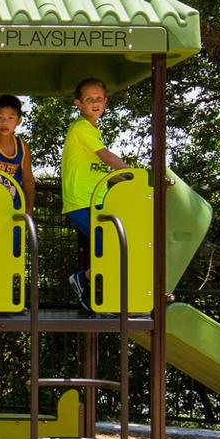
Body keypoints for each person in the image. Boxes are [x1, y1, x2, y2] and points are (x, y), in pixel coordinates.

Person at [61, 77, 135, 308]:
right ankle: (83, 279)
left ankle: (91, 283)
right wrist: (134, 174)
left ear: (106, 101)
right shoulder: (82, 128)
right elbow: (106, 157)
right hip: (82, 201)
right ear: (78, 104)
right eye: (89, 99)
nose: (95, 103)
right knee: (114, 246)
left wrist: (124, 181)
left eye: (99, 99)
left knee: (113, 246)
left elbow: (102, 170)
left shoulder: (93, 130)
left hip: (95, 201)